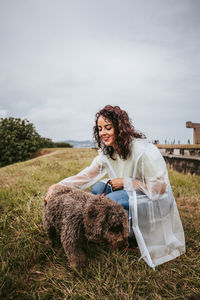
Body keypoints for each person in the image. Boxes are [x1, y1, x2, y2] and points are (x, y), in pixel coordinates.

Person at [45, 105, 185, 269]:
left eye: (108, 127)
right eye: (99, 129)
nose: (103, 132)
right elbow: (85, 176)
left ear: (120, 128)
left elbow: (161, 188)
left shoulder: (142, 151)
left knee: (108, 202)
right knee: (97, 190)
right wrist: (58, 186)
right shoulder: (108, 152)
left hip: (154, 199)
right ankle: (110, 232)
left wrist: (126, 182)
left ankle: (127, 236)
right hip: (130, 193)